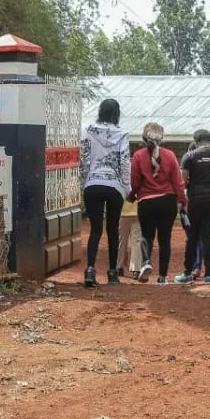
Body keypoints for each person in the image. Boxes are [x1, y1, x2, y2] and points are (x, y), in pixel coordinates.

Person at [79, 98, 131, 287]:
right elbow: (124, 162)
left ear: (100, 111)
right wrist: (127, 188)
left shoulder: (87, 131)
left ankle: (90, 270)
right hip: (114, 186)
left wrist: (85, 182)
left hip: (93, 183)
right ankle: (112, 273)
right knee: (112, 230)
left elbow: (83, 159)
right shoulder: (122, 134)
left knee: (95, 229)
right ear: (117, 113)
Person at [130, 122, 187, 284]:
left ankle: (146, 262)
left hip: (146, 202)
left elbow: (134, 182)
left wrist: (132, 195)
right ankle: (162, 277)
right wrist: (183, 201)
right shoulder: (170, 155)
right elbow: (178, 182)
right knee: (165, 239)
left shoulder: (138, 156)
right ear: (161, 138)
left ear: (143, 137)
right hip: (167, 202)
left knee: (147, 236)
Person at [175, 129, 210, 285]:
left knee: (192, 237)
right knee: (209, 238)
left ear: (196, 141)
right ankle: (209, 275)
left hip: (195, 200)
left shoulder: (189, 156)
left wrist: (181, 202)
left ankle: (187, 272)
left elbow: (182, 181)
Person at [117, 196, 143, 279]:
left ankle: (119, 266)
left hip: (122, 211)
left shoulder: (120, 181)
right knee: (137, 241)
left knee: (121, 240)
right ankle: (136, 269)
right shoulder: (140, 182)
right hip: (138, 211)